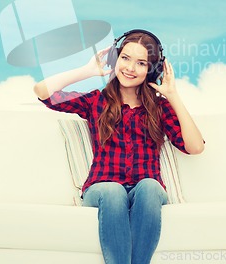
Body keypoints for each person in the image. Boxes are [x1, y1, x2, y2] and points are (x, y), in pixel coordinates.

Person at [33, 29, 204, 264]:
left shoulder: (159, 107)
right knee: (113, 191)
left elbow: (195, 147)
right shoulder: (96, 101)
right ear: (115, 59)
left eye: (141, 63)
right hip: (102, 190)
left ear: (151, 70)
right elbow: (43, 92)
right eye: (125, 58)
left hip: (145, 192)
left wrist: (173, 96)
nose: (130, 68)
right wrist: (87, 71)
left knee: (151, 187)